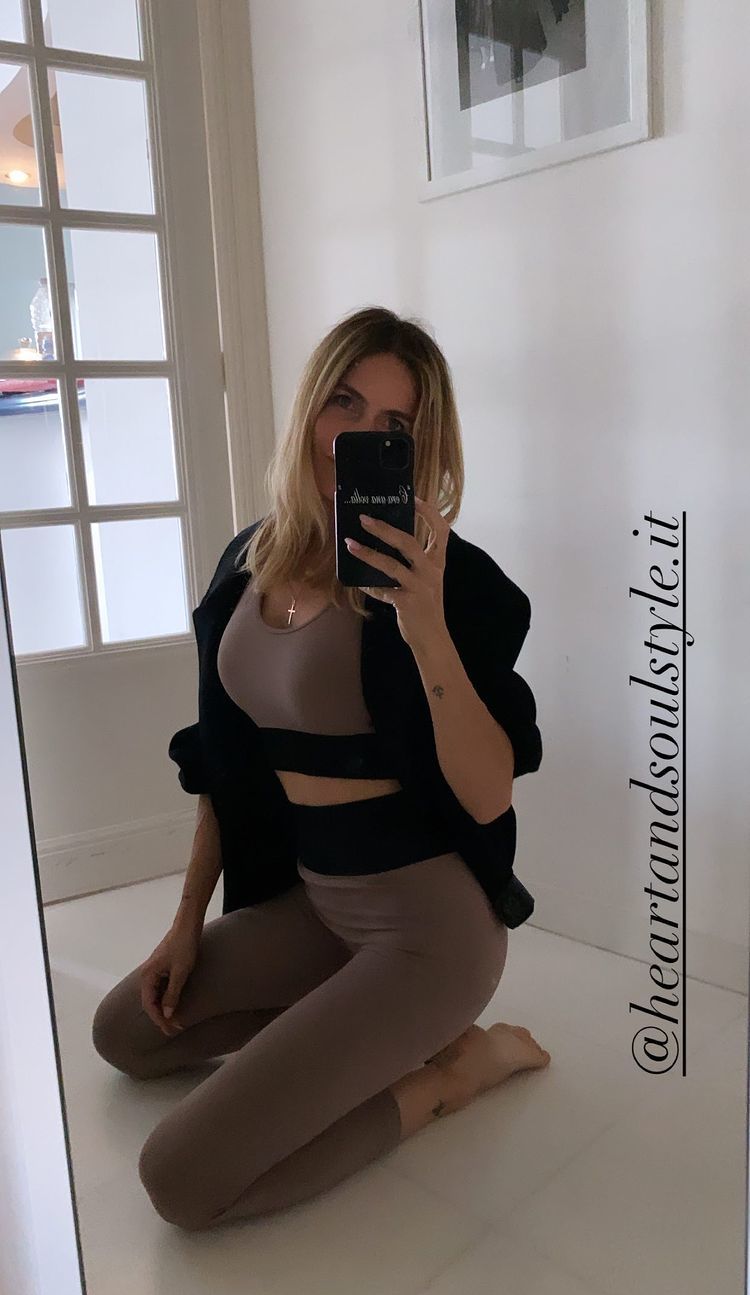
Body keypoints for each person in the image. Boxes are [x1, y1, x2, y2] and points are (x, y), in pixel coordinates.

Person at [92, 306, 550, 1232]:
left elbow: (490, 792)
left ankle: (454, 1073)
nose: (358, 435)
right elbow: (223, 762)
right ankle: (353, 1027)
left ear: (420, 449)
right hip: (317, 907)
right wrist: (186, 922)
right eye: (344, 402)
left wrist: (426, 628)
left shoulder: (453, 580)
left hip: (429, 932)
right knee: (126, 1034)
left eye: (393, 424)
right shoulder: (248, 559)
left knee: (181, 1177)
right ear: (309, 408)